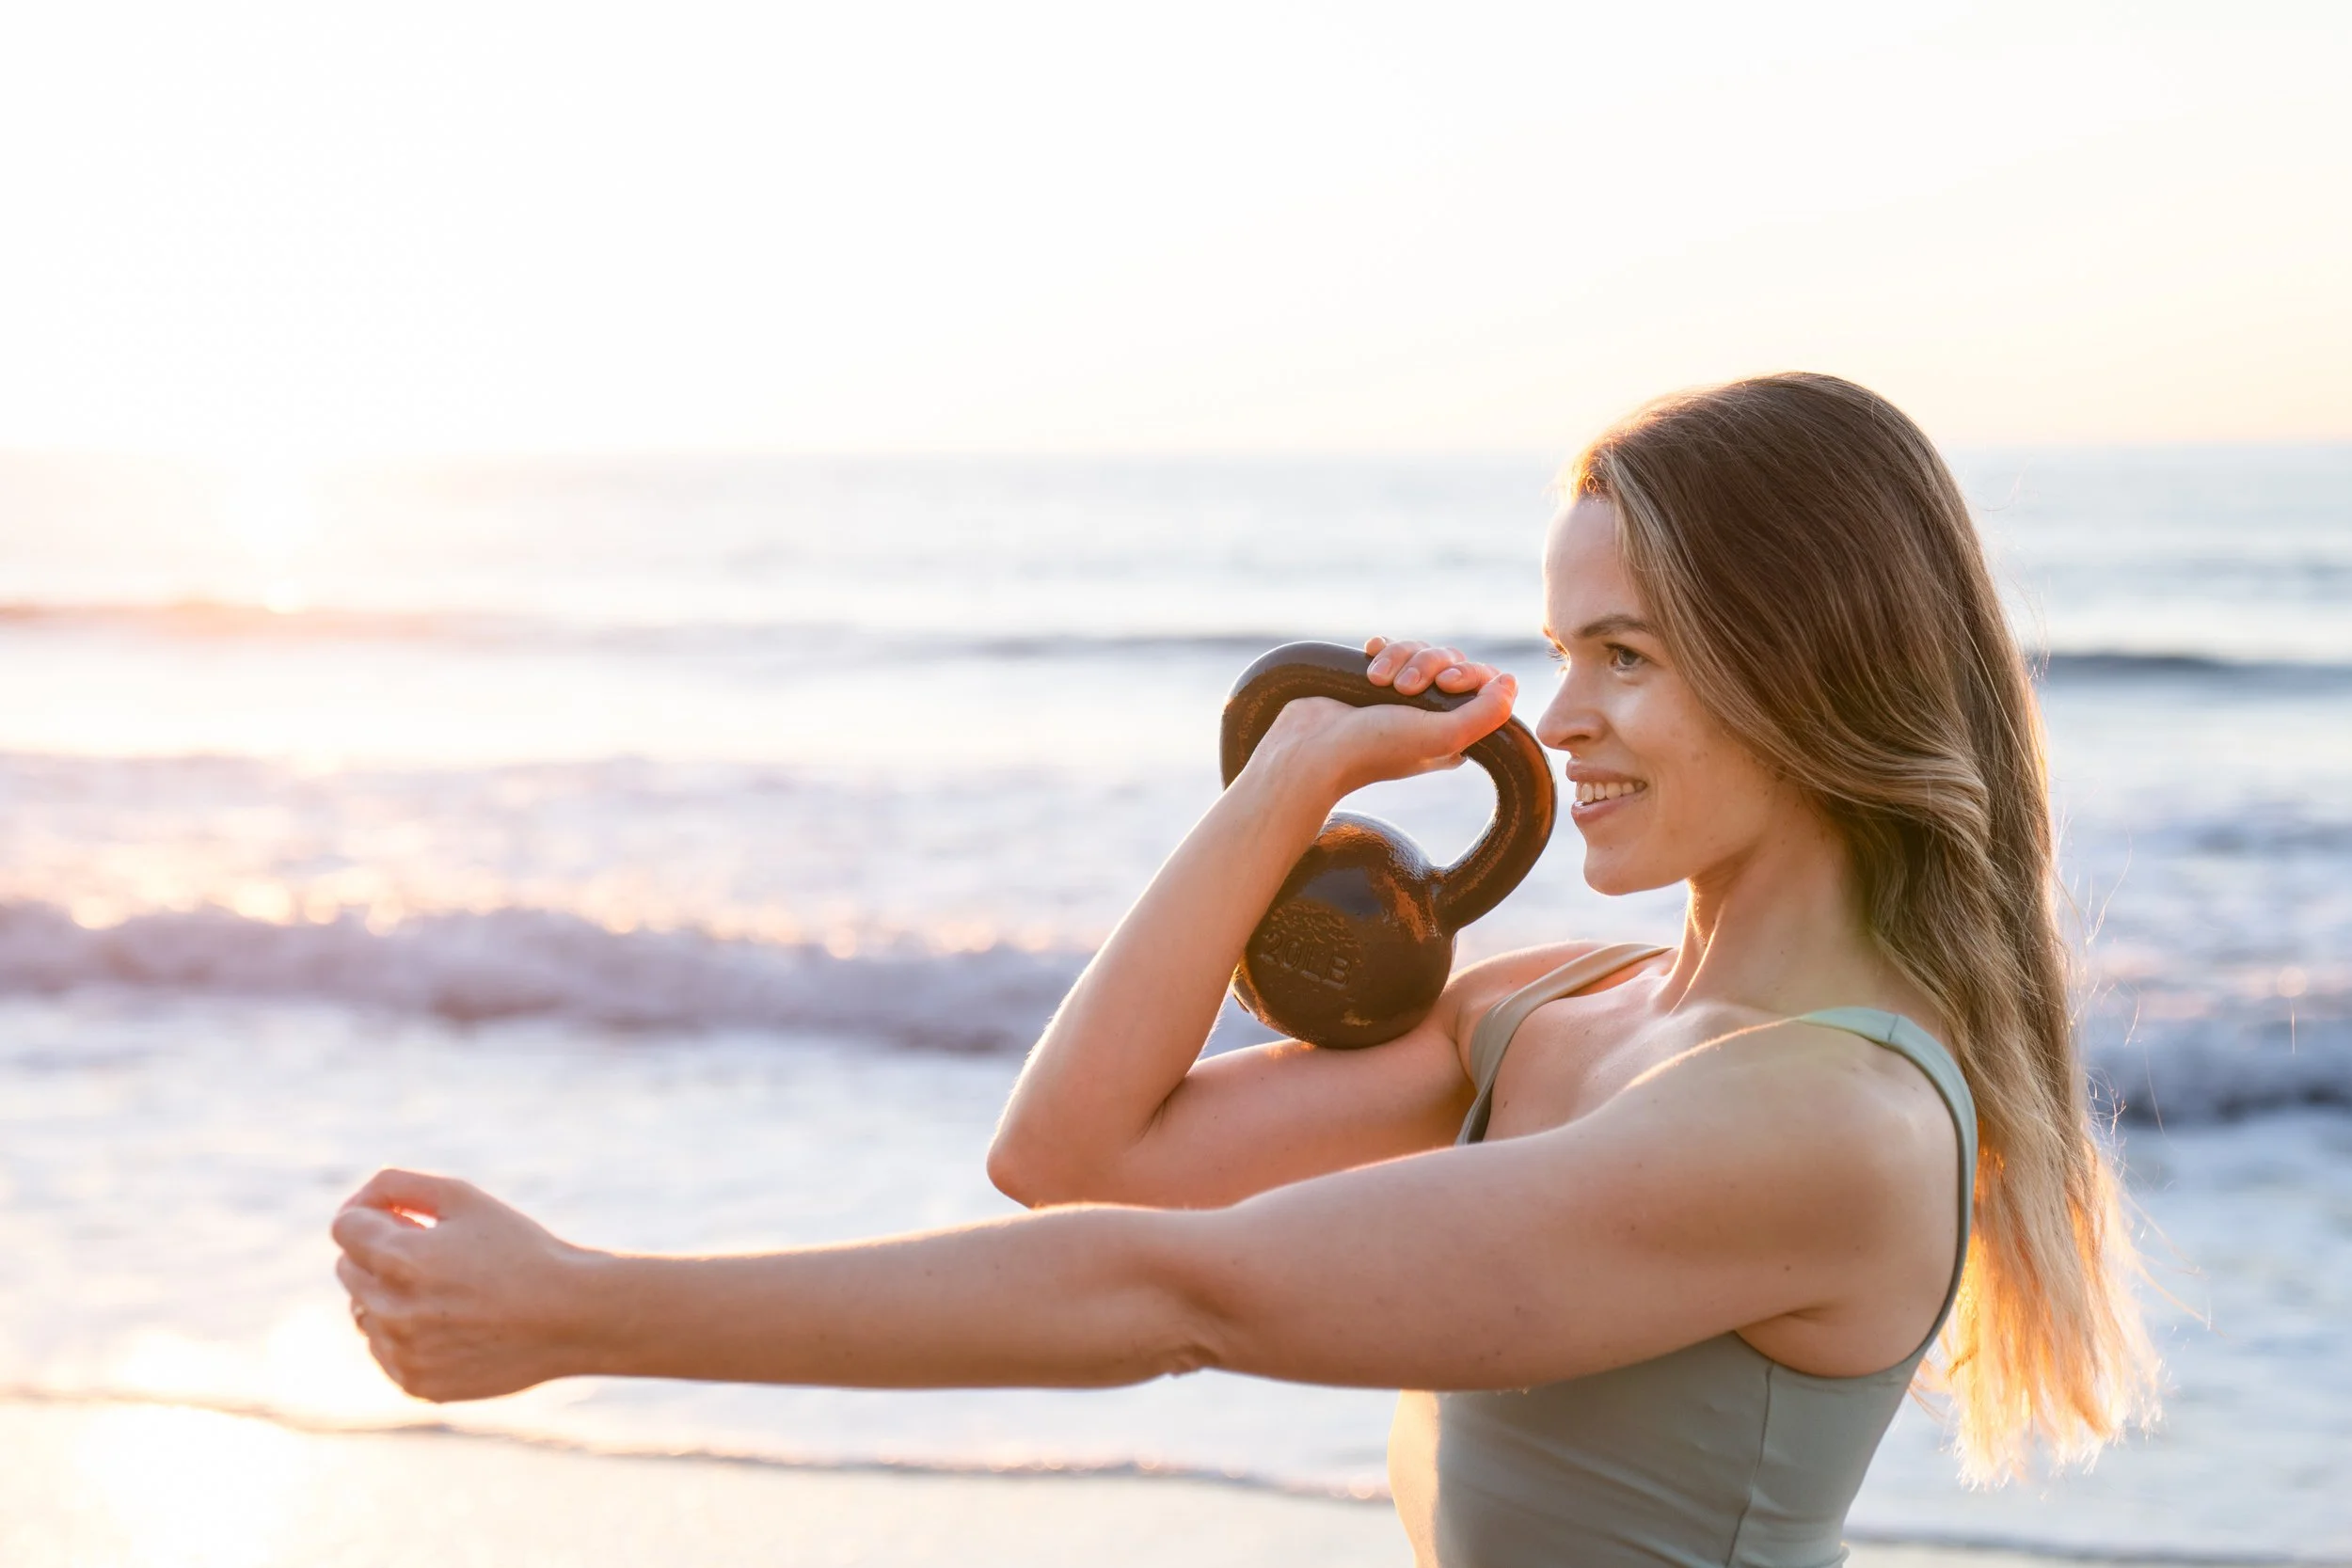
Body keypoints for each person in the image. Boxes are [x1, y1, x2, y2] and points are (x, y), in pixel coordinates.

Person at [331, 373, 2159, 1566]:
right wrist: (1287, 774)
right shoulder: (1560, 1008)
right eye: (1556, 646)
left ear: (1806, 665)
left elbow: (1170, 1288)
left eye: (1629, 655)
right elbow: (1077, 1150)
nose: (1562, 714)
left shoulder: (1828, 1121)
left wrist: (590, 1310)